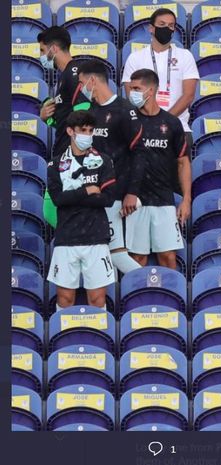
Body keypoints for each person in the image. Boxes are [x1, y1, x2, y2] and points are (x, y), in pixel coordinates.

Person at [77, 59, 144, 274]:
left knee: (117, 255)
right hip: (95, 195)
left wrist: (132, 193)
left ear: (93, 80)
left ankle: (151, 290)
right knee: (101, 255)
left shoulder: (125, 110)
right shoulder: (91, 112)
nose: (81, 88)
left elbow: (140, 154)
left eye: (82, 83)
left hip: (118, 196)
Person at [46, 110, 116, 311]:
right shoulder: (55, 164)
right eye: (82, 130)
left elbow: (108, 199)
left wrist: (74, 197)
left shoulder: (104, 160)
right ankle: (62, 341)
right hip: (67, 237)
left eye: (90, 130)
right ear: (70, 131)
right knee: (65, 299)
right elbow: (58, 200)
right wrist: (87, 191)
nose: (87, 134)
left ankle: (100, 341)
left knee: (97, 299)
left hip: (96, 236)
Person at [125, 69, 191, 270]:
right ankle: (136, 300)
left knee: (168, 257)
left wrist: (186, 199)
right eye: (130, 88)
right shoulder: (127, 122)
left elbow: (183, 162)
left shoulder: (171, 123)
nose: (131, 93)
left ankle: (170, 301)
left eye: (137, 88)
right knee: (137, 259)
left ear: (151, 90)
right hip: (135, 201)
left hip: (164, 199)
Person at [121, 7, 199, 165]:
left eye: (171, 25)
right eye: (162, 24)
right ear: (151, 28)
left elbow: (189, 95)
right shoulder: (135, 58)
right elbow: (131, 95)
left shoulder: (185, 56)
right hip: (142, 129)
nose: (167, 28)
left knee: (177, 183)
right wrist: (151, 123)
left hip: (178, 128)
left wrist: (164, 120)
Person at [37, 26, 90, 158]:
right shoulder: (64, 76)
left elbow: (84, 115)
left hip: (73, 155)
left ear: (54, 48)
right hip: (64, 150)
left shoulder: (74, 74)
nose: (41, 56)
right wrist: (46, 118)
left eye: (42, 50)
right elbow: (63, 121)